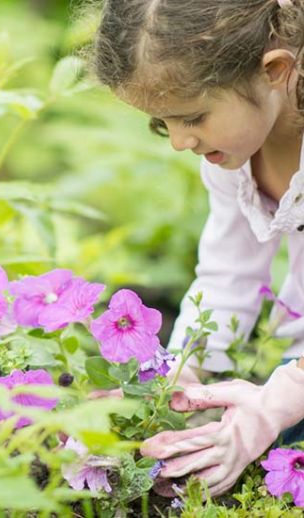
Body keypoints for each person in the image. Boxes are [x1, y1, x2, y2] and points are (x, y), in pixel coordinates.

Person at [91, 0, 304, 498]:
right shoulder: (232, 155)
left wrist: (276, 403)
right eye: (164, 123)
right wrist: (180, 377)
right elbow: (229, 275)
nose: (178, 142)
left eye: (192, 117)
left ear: (274, 70)